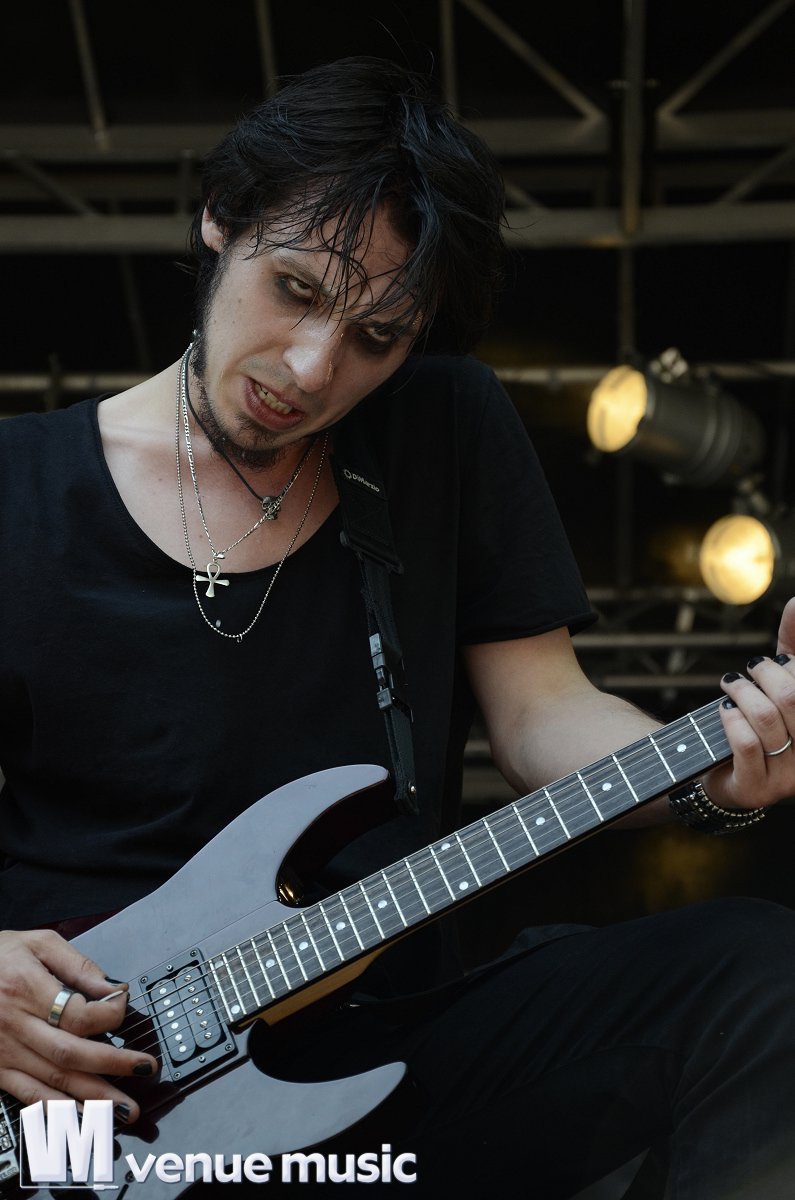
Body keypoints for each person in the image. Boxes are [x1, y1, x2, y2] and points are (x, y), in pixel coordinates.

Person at [1, 57, 795, 1198]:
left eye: (377, 337)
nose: (311, 368)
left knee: (755, 976)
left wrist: (710, 770)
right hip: (89, 1096)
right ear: (220, 218)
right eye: (296, 289)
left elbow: (544, 715)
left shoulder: (441, 430)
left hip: (391, 1047)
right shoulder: (16, 490)